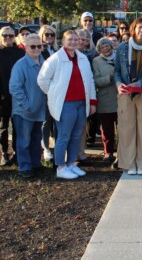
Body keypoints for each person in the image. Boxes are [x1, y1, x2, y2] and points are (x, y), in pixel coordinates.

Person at [37, 30, 97, 180]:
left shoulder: (82, 58)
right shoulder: (55, 59)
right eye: (70, 39)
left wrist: (92, 102)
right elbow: (42, 80)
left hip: (81, 103)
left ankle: (70, 163)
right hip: (66, 104)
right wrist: (54, 94)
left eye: (76, 39)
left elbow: (89, 81)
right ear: (63, 42)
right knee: (64, 136)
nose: (73, 42)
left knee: (76, 135)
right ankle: (60, 166)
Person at [115, 18, 142, 175]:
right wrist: (119, 84)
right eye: (140, 27)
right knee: (127, 128)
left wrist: (140, 84)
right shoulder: (121, 48)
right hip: (126, 94)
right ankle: (128, 163)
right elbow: (117, 71)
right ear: (133, 28)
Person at [9, 34, 46, 178]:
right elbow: (14, 88)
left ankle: (35, 164)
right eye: (33, 46)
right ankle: (24, 167)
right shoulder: (20, 65)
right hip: (24, 111)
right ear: (25, 47)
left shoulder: (44, 63)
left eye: (39, 46)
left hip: (39, 110)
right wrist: (27, 105)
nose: (37, 49)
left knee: (36, 139)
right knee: (24, 141)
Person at [0, 26, 25, 166]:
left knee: (18, 127)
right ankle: (4, 153)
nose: (8, 38)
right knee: (3, 127)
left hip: (18, 97)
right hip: (2, 98)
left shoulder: (20, 53)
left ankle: (16, 152)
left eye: (11, 35)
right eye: (5, 35)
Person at [92, 38, 118, 163]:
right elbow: (96, 81)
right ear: (99, 49)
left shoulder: (119, 57)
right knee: (107, 129)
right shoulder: (96, 61)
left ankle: (123, 152)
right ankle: (108, 152)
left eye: (108, 45)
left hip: (121, 99)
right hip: (105, 99)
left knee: (123, 128)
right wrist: (110, 77)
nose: (106, 49)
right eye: (103, 47)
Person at [39, 25, 58, 161]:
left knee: (56, 121)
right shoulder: (38, 50)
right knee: (46, 122)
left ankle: (57, 148)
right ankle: (46, 149)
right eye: (47, 35)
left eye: (52, 35)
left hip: (57, 91)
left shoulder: (57, 50)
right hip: (44, 91)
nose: (49, 37)